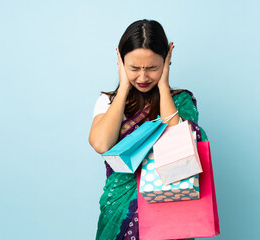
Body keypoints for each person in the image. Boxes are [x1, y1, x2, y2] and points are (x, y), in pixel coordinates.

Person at [89, 19, 208, 240]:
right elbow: (101, 144)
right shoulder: (108, 102)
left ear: (166, 61)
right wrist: (124, 86)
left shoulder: (180, 101)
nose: (143, 77)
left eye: (153, 68)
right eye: (134, 68)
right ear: (121, 61)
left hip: (170, 209)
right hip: (120, 213)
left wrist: (163, 86)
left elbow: (179, 147)